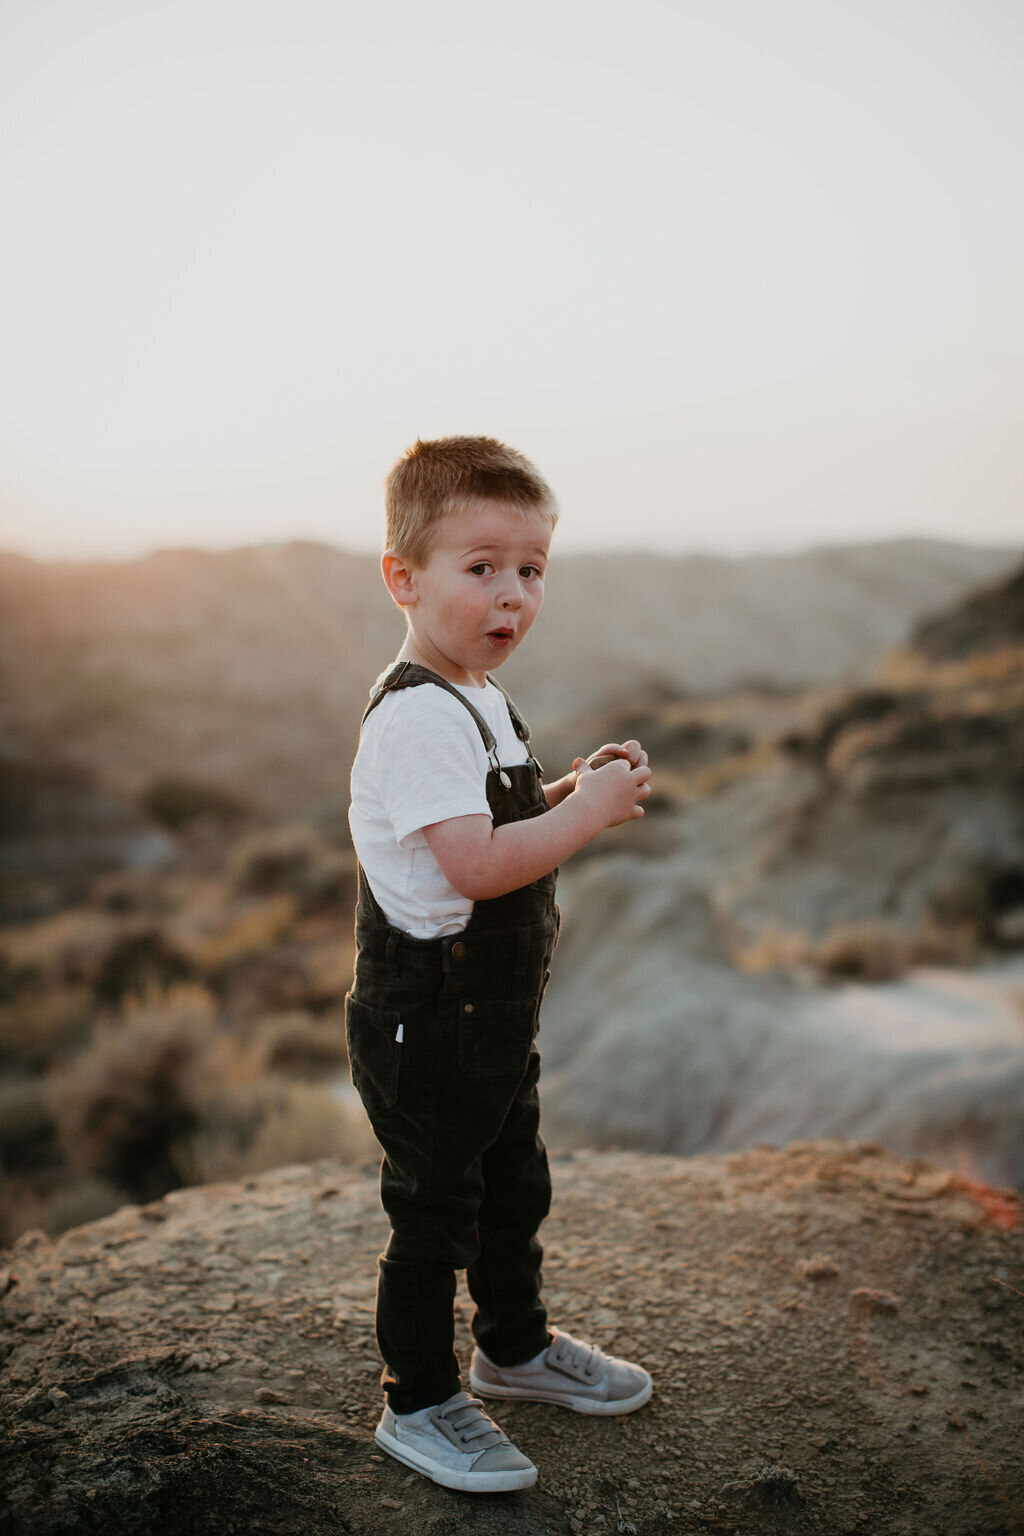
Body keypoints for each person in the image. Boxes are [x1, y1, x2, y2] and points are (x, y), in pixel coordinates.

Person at [345, 435, 654, 1494]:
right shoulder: (421, 714)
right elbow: (476, 865)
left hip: (489, 1017)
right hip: (424, 1017)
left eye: (531, 571)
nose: (511, 594)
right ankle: (420, 1400)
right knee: (433, 1206)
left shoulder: (475, 693)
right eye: (480, 568)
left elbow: (500, 825)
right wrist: (594, 820)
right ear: (403, 577)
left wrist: (571, 790)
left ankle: (512, 1350)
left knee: (511, 1185)